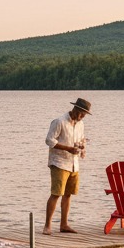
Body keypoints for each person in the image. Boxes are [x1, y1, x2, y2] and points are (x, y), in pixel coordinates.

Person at [44, 97, 91, 235]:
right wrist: (68, 148)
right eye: (81, 113)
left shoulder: (81, 124)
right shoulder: (59, 121)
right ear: (75, 109)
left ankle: (64, 225)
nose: (82, 117)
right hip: (59, 162)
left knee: (68, 194)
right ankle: (47, 226)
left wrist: (82, 147)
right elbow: (49, 140)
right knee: (56, 194)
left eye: (85, 115)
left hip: (74, 164)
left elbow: (81, 140)